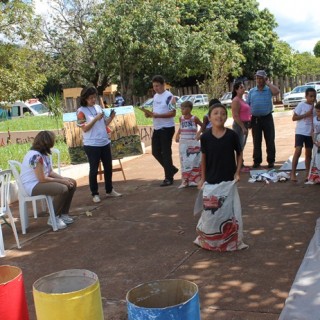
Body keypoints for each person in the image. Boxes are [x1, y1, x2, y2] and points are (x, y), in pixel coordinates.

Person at [194, 103, 248, 251]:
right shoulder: (205, 137)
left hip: (228, 180)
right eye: (216, 113)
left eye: (223, 113)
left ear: (226, 117)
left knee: (228, 212)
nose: (219, 116)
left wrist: (237, 172)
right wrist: (202, 178)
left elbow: (239, 153)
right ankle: (210, 240)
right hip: (211, 180)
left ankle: (228, 241)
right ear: (210, 117)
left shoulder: (232, 135)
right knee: (210, 213)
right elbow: (203, 158)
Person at [20, 131, 77, 230]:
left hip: (40, 182)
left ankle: (63, 214)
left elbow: (50, 172)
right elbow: (42, 179)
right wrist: (62, 182)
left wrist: (64, 179)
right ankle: (53, 217)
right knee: (62, 188)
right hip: (32, 185)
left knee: (72, 182)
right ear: (47, 142)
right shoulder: (35, 156)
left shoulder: (44, 155)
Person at [77, 86, 122, 203]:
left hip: (104, 142)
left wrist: (111, 117)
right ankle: (95, 193)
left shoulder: (98, 107)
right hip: (91, 144)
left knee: (108, 167)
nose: (93, 100)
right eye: (91, 98)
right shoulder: (81, 111)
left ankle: (109, 190)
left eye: (94, 97)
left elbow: (104, 123)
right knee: (94, 169)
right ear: (85, 98)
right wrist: (95, 119)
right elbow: (85, 128)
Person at [143, 75, 178, 186]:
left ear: (163, 85)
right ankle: (171, 169)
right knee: (155, 152)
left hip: (167, 128)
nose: (155, 88)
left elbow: (173, 113)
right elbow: (155, 111)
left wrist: (159, 116)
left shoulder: (169, 96)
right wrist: (149, 114)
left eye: (157, 86)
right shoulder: (155, 97)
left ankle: (168, 177)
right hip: (157, 127)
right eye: (154, 86)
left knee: (166, 152)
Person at [247, 70, 280, 168]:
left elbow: (277, 92)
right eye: (258, 78)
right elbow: (248, 105)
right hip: (255, 119)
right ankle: (257, 161)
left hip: (267, 118)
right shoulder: (252, 91)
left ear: (265, 79)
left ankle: (271, 160)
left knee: (270, 139)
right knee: (256, 141)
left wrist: (268, 83)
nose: (259, 80)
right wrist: (249, 119)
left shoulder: (269, 89)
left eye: (261, 78)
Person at [290, 87, 316, 182]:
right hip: (300, 132)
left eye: (314, 96)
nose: (312, 98)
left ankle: (307, 174)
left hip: (310, 133)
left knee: (308, 153)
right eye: (310, 96)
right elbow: (294, 118)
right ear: (306, 96)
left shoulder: (315, 107)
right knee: (298, 150)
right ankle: (293, 173)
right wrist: (306, 114)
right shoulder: (301, 105)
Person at [175, 100, 202, 188]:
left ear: (189, 109)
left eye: (183, 108)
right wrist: (177, 134)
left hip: (193, 142)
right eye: (181, 109)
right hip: (183, 142)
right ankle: (185, 180)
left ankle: (194, 179)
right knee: (184, 161)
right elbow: (181, 127)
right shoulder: (181, 118)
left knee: (195, 160)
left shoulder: (194, 118)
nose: (181, 110)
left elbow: (203, 125)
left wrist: (199, 134)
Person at [231, 82, 252, 171]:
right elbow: (235, 115)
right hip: (240, 125)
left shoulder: (242, 99)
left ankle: (241, 163)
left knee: (242, 145)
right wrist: (242, 127)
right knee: (239, 145)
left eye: (243, 87)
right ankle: (240, 166)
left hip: (245, 124)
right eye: (241, 87)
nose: (243, 89)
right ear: (236, 90)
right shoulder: (236, 100)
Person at [308, 101, 320, 183]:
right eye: (317, 111)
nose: (318, 113)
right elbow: (312, 130)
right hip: (316, 140)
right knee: (316, 158)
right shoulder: (315, 119)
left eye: (319, 111)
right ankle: (316, 176)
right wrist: (314, 140)